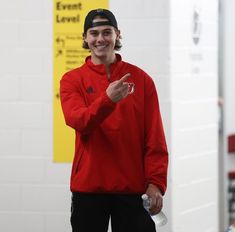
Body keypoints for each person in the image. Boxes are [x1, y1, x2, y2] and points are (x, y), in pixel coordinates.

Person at [60, 8, 168, 232]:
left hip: (133, 190)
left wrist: (156, 183)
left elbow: (154, 137)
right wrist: (108, 99)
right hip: (89, 190)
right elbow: (79, 120)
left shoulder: (142, 80)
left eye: (107, 32)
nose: (100, 39)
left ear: (117, 34)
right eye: (94, 33)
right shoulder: (72, 80)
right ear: (85, 38)